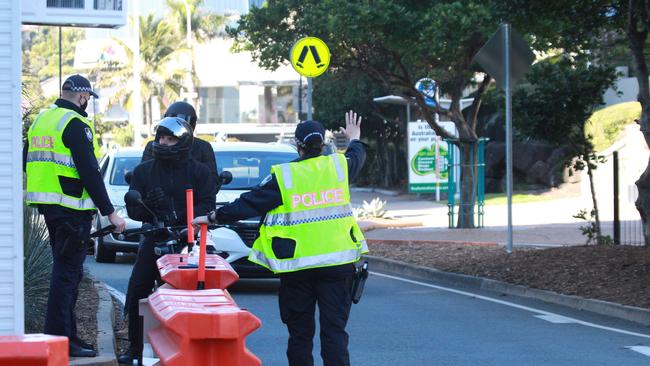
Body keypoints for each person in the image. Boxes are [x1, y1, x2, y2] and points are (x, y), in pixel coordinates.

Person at [193, 111, 367, 366]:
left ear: (298, 145)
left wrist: (211, 218)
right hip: (338, 266)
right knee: (335, 333)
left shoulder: (286, 177)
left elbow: (248, 204)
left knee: (300, 335)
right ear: (323, 144)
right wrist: (353, 138)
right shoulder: (338, 167)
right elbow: (357, 156)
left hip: (298, 269)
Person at [24, 74, 126, 357]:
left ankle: (63, 337)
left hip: (50, 208)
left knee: (65, 272)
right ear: (83, 97)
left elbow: (26, 160)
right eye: (88, 100)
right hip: (71, 209)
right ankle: (61, 340)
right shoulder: (76, 124)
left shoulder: (42, 121)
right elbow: (90, 172)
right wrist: (110, 213)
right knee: (67, 276)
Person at [119, 117, 216, 364]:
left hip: (189, 242)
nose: (163, 142)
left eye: (170, 138)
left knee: (199, 295)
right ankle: (135, 349)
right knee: (137, 290)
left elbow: (208, 205)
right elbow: (133, 209)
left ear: (183, 141)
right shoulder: (144, 171)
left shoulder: (200, 171)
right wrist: (148, 207)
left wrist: (184, 220)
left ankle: (195, 346)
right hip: (154, 237)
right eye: (161, 137)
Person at [141, 101, 217, 179]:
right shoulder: (154, 145)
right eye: (163, 138)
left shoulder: (203, 147)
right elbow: (143, 174)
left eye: (170, 139)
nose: (164, 142)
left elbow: (211, 181)